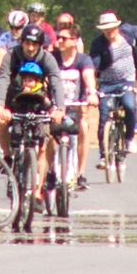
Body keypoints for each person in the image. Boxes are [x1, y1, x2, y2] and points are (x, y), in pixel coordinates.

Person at [0, 24, 65, 182]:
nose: (31, 47)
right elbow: (3, 79)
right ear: (22, 42)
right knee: (0, 121)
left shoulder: (47, 58)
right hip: (15, 99)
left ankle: (50, 171)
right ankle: (7, 157)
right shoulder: (11, 56)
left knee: (51, 133)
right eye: (27, 43)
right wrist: (0, 105)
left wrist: (59, 108)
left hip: (39, 100)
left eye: (34, 44)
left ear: (40, 45)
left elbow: (56, 82)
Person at [90, 11, 137, 161]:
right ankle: (103, 154)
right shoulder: (98, 43)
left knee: (129, 105)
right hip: (106, 84)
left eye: (112, 27)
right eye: (105, 29)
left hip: (126, 80)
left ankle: (129, 138)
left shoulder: (128, 35)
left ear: (117, 27)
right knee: (104, 116)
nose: (109, 31)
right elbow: (94, 63)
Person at [52, 24, 98, 191]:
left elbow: (88, 75)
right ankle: (51, 171)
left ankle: (81, 173)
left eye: (64, 38)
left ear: (75, 41)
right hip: (55, 107)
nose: (60, 41)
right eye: (58, 38)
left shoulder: (83, 59)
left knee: (84, 128)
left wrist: (92, 92)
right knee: (47, 134)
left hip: (75, 107)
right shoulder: (52, 58)